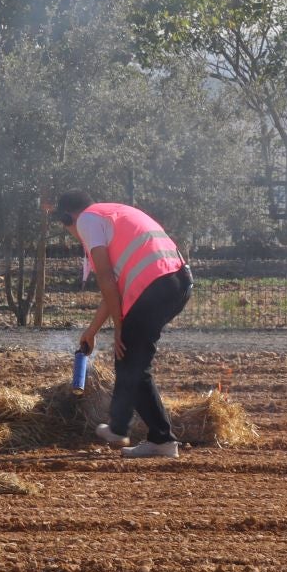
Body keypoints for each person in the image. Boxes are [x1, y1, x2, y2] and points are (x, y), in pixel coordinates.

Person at [51, 192, 191, 458]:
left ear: (67, 217)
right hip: (178, 282)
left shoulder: (87, 221)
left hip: (156, 285)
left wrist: (119, 327)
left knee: (133, 364)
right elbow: (112, 290)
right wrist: (92, 332)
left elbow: (105, 278)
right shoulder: (112, 214)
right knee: (128, 360)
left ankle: (162, 440)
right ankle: (118, 428)